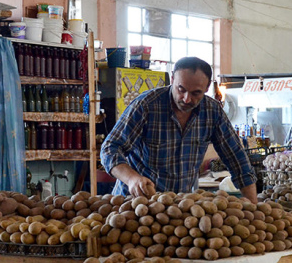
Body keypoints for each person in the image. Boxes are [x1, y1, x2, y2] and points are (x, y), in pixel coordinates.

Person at [101, 57, 257, 203]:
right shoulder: (146, 106)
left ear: (207, 87)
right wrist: (132, 179)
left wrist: (253, 208)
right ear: (172, 79)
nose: (186, 99)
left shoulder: (212, 112)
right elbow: (110, 149)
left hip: (179, 208)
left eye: (196, 93)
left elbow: (237, 159)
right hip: (136, 203)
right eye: (181, 89)